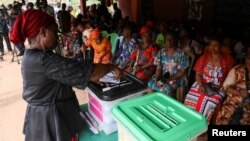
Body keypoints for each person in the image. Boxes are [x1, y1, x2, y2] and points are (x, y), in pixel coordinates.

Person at [9, 9, 121, 141]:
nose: (57, 36)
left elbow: (59, 76)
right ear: (43, 32)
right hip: (50, 120)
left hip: (41, 115)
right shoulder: (44, 60)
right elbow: (90, 72)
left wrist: (83, 77)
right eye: (54, 31)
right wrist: (111, 67)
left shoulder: (31, 56)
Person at [184, 38, 234, 122]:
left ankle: (202, 123)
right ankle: (189, 121)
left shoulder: (228, 60)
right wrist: (201, 85)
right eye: (211, 45)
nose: (213, 47)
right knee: (190, 98)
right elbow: (198, 74)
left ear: (220, 47)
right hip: (202, 82)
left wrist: (220, 86)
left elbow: (230, 78)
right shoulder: (204, 57)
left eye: (216, 45)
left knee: (209, 103)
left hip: (219, 86)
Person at [147, 32, 189, 99]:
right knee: (152, 84)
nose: (169, 41)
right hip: (164, 76)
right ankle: (150, 103)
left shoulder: (181, 54)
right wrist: (157, 78)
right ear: (165, 40)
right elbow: (159, 68)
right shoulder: (161, 52)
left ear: (175, 40)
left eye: (171, 39)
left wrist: (170, 79)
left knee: (166, 88)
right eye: (167, 39)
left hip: (177, 77)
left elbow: (182, 71)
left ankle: (165, 106)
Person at [215, 55, 250, 125]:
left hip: (247, 108)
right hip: (232, 103)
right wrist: (239, 92)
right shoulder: (237, 70)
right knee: (224, 120)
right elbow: (225, 87)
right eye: (249, 58)